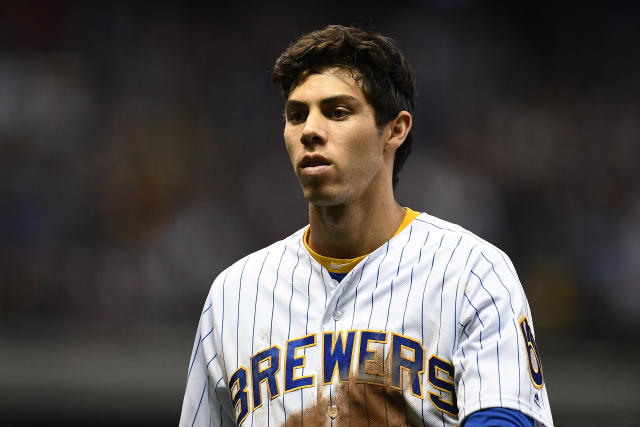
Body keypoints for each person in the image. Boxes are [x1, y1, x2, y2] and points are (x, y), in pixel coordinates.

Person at [180, 25, 553, 427]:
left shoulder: (472, 272)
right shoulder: (233, 294)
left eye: (337, 112)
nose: (310, 130)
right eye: (296, 114)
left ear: (395, 129)